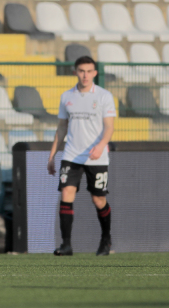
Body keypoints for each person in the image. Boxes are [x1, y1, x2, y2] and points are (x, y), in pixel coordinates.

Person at [47, 56, 116, 256]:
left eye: (89, 71)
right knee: (66, 194)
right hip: (72, 155)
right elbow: (61, 127)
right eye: (81, 71)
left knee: (98, 200)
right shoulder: (67, 96)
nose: (85, 75)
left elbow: (110, 126)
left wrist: (101, 146)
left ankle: (106, 239)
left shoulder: (104, 96)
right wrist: (52, 156)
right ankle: (66, 245)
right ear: (75, 72)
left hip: (97, 156)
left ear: (95, 73)